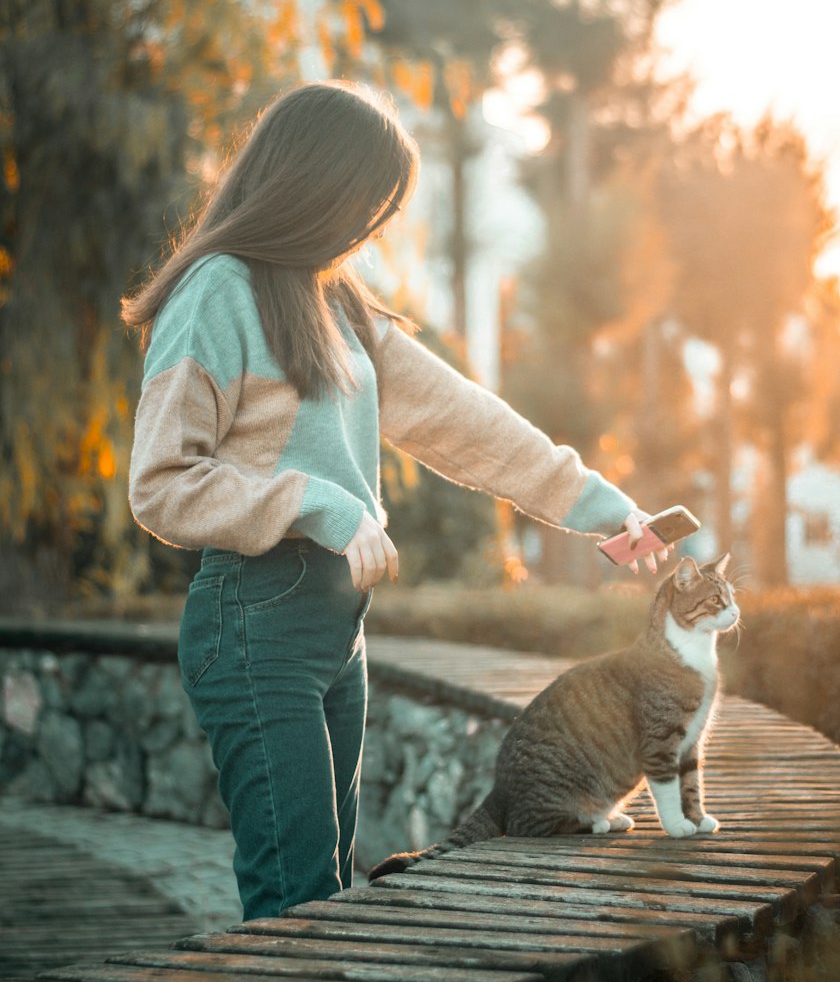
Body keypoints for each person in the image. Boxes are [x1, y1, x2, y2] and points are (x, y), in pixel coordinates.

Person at [122, 79, 661, 923]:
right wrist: (324, 507)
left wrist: (601, 504)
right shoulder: (217, 290)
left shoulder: (338, 306)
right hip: (254, 619)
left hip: (337, 627)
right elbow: (161, 482)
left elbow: (465, 423)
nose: (369, 226)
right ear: (312, 183)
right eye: (365, 200)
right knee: (295, 902)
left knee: (330, 898)